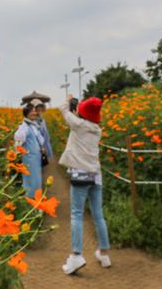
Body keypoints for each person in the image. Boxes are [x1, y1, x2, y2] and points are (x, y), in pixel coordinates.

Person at [58, 94, 111, 275]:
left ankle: (76, 255)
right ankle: (104, 254)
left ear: (83, 113)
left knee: (76, 214)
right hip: (96, 176)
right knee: (98, 215)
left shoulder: (79, 125)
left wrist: (69, 100)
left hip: (81, 175)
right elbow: (79, 117)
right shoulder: (97, 129)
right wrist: (79, 111)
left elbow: (63, 110)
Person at [13, 103, 44, 197]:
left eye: (35, 111)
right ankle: (31, 200)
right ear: (27, 113)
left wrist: (41, 147)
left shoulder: (32, 125)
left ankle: (36, 199)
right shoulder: (24, 126)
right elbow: (18, 141)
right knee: (31, 179)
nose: (35, 113)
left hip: (35, 158)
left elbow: (38, 138)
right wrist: (16, 153)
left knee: (36, 179)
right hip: (29, 158)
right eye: (32, 111)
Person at [29, 98, 53, 165]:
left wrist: (48, 138)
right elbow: (35, 135)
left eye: (40, 106)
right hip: (38, 145)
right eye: (37, 107)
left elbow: (45, 131)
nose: (39, 109)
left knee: (43, 159)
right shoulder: (32, 120)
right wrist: (41, 146)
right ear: (34, 109)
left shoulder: (42, 118)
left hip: (44, 142)